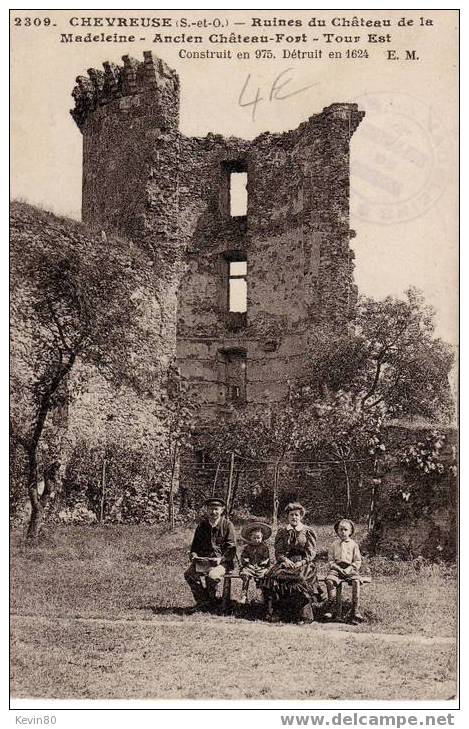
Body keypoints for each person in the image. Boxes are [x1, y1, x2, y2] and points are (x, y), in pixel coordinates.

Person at [260, 502, 322, 624]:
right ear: (287, 517)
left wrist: (302, 562)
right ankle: (278, 613)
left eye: (297, 515)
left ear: (301, 517)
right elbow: (278, 552)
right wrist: (285, 560)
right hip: (286, 562)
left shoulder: (308, 531)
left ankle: (303, 616)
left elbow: (311, 553)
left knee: (300, 580)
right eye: (291, 515)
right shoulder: (283, 531)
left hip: (303, 563)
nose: (294, 517)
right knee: (272, 578)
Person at [184, 496, 236, 611]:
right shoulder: (202, 526)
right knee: (189, 575)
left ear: (222, 510)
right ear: (207, 510)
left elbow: (231, 549)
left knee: (212, 576)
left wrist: (221, 559)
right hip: (204, 561)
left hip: (222, 562)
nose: (213, 512)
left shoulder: (227, 525)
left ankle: (209, 602)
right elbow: (195, 546)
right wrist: (194, 555)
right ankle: (204, 601)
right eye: (211, 509)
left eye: (216, 509)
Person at [324, 518, 364, 622]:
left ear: (350, 531)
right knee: (329, 580)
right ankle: (331, 608)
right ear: (337, 531)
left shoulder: (353, 545)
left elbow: (357, 561)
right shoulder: (333, 545)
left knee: (356, 581)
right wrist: (337, 568)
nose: (343, 532)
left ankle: (355, 610)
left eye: (345, 530)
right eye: (340, 529)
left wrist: (350, 568)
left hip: (349, 569)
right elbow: (330, 561)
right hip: (336, 569)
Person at [238, 522, 271, 604]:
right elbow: (244, 557)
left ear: (262, 538)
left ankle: (259, 594)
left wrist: (261, 565)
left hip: (261, 567)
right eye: (254, 538)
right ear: (250, 538)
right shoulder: (247, 547)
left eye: (258, 538)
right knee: (245, 574)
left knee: (262, 575)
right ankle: (244, 595)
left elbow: (266, 558)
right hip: (250, 567)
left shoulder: (264, 547)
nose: (257, 540)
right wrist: (248, 564)